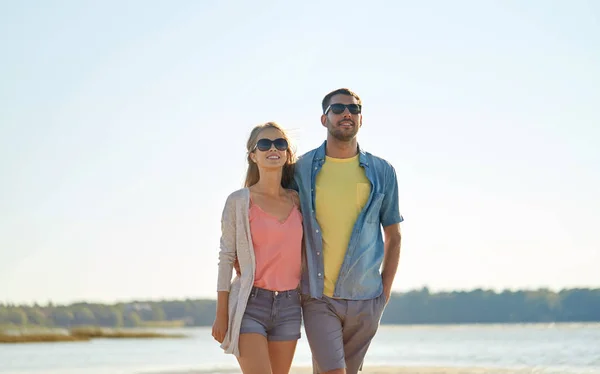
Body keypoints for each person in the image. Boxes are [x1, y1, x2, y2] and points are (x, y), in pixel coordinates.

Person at [294, 88, 404, 374]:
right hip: (318, 296)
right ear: (324, 118)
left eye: (353, 109)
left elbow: (394, 234)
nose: (347, 114)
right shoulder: (301, 169)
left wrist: (384, 293)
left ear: (361, 119)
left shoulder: (382, 171)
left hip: (366, 298)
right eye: (339, 108)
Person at [212, 122, 304, 374]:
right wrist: (222, 314)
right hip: (250, 304)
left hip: (289, 305)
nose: (273, 148)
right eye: (264, 144)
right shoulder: (239, 201)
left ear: (287, 154)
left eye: (280, 143)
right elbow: (226, 257)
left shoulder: (298, 201)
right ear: (253, 155)